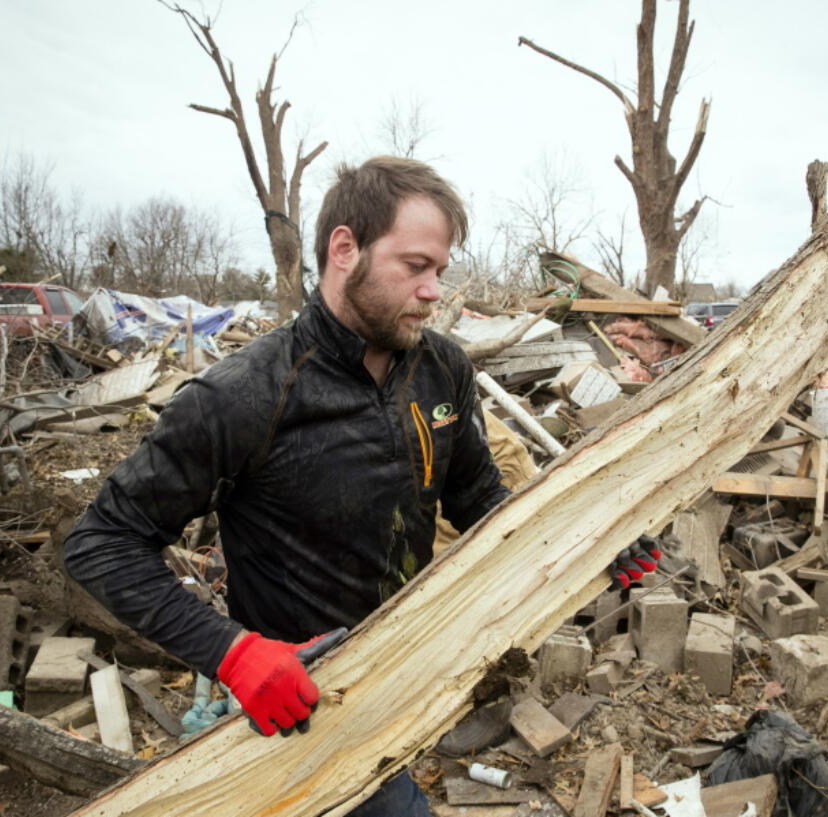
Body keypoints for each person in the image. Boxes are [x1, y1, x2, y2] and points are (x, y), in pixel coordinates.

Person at [63, 156, 667, 815]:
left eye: (440, 269)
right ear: (344, 248)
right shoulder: (244, 396)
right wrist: (232, 653)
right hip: (301, 709)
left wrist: (586, 534)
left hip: (402, 679)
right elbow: (102, 540)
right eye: (415, 266)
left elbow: (479, 498)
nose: (435, 290)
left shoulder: (443, 371)